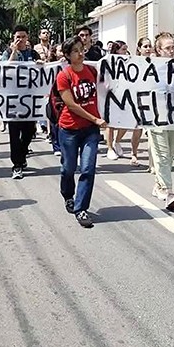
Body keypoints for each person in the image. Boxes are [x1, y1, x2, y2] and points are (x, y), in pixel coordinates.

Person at [56, 36, 106, 228]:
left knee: (87, 169)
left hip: (90, 131)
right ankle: (68, 195)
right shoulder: (64, 76)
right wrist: (95, 118)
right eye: (76, 50)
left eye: (82, 49)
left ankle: (81, 208)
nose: (81, 53)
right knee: (68, 169)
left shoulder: (92, 71)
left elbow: (104, 90)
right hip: (69, 129)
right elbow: (71, 104)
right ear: (68, 55)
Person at [147, 32, 174, 211]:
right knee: (160, 153)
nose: (172, 51)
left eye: (173, 47)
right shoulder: (149, 67)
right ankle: (167, 191)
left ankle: (158, 185)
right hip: (156, 116)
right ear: (158, 50)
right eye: (168, 48)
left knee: (170, 153)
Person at [2, 26, 41, 180]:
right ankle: (17, 165)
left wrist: (40, 64)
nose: (21, 39)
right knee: (13, 134)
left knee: (29, 131)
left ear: (28, 37)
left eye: (23, 36)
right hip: (13, 101)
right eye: (18, 36)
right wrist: (13, 52)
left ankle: (22, 154)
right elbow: (5, 69)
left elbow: (42, 69)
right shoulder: (7, 53)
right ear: (13, 37)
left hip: (29, 101)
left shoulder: (32, 53)